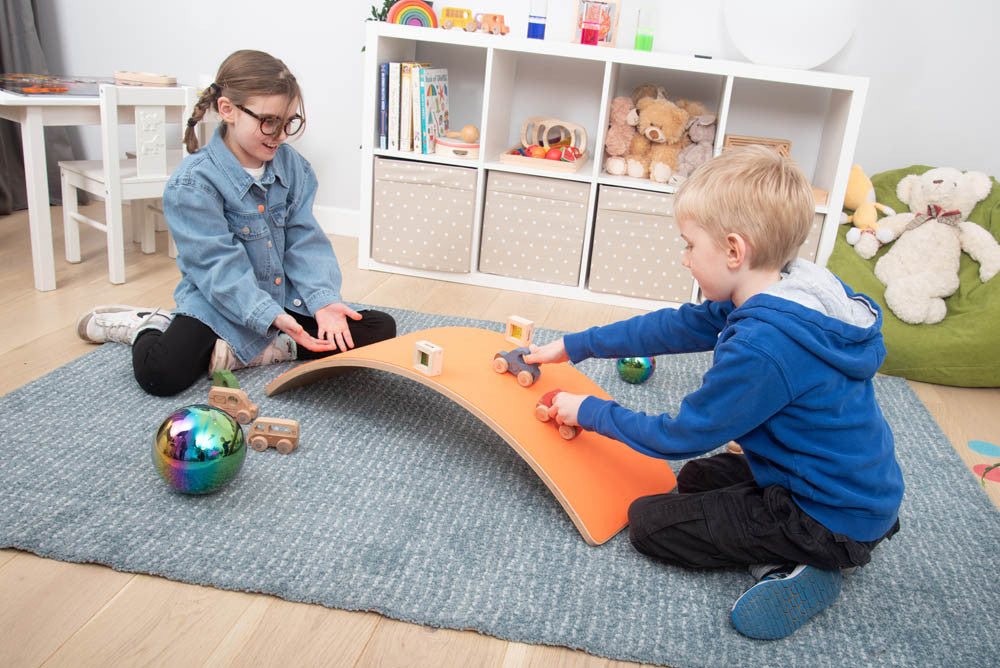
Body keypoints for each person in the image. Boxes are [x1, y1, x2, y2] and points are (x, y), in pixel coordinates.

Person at [524, 146, 903, 640]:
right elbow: (676, 327)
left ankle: (808, 562)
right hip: (845, 487)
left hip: (828, 515)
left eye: (688, 245)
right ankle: (806, 542)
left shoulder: (764, 346)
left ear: (732, 250)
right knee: (700, 478)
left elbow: (681, 435)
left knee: (649, 524)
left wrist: (590, 410)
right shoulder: (781, 289)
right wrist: (576, 346)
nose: (683, 259)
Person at [77, 50, 396, 396]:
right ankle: (147, 326)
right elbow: (217, 267)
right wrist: (267, 316)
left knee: (378, 328)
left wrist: (322, 301)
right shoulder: (193, 184)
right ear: (228, 110)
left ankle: (256, 350)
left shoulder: (295, 169)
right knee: (161, 374)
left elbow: (305, 242)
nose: (280, 136)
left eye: (288, 122)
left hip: (283, 297)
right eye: (269, 121)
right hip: (217, 301)